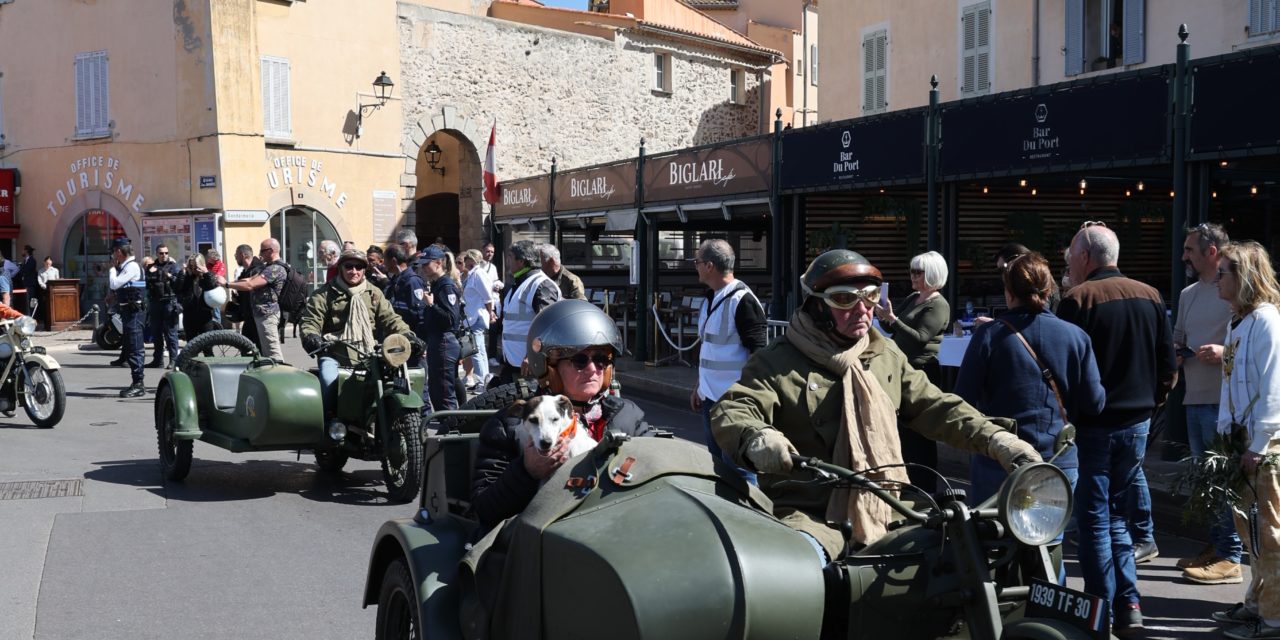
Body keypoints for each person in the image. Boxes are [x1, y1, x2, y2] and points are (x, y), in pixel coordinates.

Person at [711, 249, 1041, 562]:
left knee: (968, 559)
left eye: (870, 296)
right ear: (818, 306)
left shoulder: (884, 355)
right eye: (844, 299)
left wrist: (998, 439)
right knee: (800, 573)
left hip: (891, 506)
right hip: (812, 514)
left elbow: (937, 406)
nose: (863, 309)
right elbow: (735, 407)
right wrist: (757, 436)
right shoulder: (776, 361)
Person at [1056, 221, 1177, 637]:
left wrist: (1070, 412)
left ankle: (1103, 610)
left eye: (1071, 254)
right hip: (1136, 422)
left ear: (1086, 257)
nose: (1069, 262)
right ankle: (1128, 604)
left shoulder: (1078, 298)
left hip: (1096, 425)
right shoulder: (1151, 295)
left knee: (1095, 520)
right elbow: (1168, 367)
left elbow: (1064, 370)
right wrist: (1152, 403)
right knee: (1116, 519)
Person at [472, 299, 660, 532]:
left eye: (601, 358)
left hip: (617, 531)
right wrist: (527, 471)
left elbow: (660, 462)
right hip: (542, 541)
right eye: (580, 360)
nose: (593, 369)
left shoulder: (626, 415)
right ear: (547, 366)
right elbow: (484, 508)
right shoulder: (510, 425)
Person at [955, 251, 1105, 505]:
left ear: (1008, 293)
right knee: (1048, 541)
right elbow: (1095, 403)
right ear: (1049, 291)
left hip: (999, 458)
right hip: (1057, 458)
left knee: (993, 539)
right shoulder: (1076, 337)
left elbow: (962, 401)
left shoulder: (989, 336)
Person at [1211, 241, 1280, 640]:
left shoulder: (1267, 319)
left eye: (1223, 273)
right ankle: (1256, 602)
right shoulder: (1238, 320)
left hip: (1264, 445)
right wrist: (1225, 434)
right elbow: (1229, 384)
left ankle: (1273, 618)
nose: (1216, 279)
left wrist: (1258, 443)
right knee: (1249, 530)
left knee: (1270, 532)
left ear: (1244, 277)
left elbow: (1273, 387)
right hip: (1241, 442)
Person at [1175, 222, 1245, 585]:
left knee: (1222, 481)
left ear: (1211, 252)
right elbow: (1180, 336)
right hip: (1194, 398)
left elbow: (1253, 344)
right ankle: (1216, 547)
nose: (1183, 256)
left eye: (1189, 250)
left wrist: (1224, 352)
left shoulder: (1236, 293)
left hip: (1224, 404)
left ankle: (1230, 556)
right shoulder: (1188, 293)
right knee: (1206, 482)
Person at [299, 249, 419, 425]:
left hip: (368, 353)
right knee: (329, 380)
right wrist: (311, 337)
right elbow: (310, 321)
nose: (354, 271)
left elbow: (391, 319)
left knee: (394, 379)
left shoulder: (373, 293)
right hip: (335, 352)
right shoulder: (324, 294)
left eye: (359, 267)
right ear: (341, 268)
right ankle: (328, 422)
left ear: (364, 270)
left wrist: (407, 334)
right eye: (349, 266)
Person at [689, 239, 766, 482]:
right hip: (710, 397)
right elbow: (711, 350)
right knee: (718, 467)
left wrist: (747, 397)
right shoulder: (711, 298)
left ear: (710, 265)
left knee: (739, 470)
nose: (696, 266)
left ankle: (749, 515)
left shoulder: (742, 300)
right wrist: (699, 387)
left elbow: (758, 354)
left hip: (734, 402)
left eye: (698, 261)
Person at [873, 249, 951, 492]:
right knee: (903, 430)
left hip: (922, 371)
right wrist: (885, 317)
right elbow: (896, 332)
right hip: (903, 368)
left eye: (919, 272)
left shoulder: (938, 305)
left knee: (921, 432)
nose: (913, 276)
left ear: (932, 274)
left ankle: (925, 486)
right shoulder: (913, 298)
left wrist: (893, 319)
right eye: (912, 271)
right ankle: (907, 481)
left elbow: (920, 338)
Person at [498, 240, 561, 385]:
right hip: (513, 363)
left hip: (530, 367)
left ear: (521, 261)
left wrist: (532, 356)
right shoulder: (518, 283)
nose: (507, 261)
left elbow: (547, 325)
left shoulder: (541, 285)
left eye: (510, 257)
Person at [417, 245, 464, 410]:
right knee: (436, 388)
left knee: (444, 391)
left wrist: (431, 305)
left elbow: (451, 319)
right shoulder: (436, 284)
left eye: (426, 264)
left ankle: (450, 429)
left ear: (438, 263)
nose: (423, 268)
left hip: (445, 342)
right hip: (436, 341)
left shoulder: (446, 286)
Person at [226, 239, 287, 361]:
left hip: (268, 316)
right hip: (260, 315)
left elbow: (250, 285)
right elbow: (248, 280)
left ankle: (279, 376)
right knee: (264, 352)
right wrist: (228, 283)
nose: (259, 254)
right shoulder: (267, 267)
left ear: (271, 251)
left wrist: (227, 285)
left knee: (272, 353)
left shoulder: (275, 269)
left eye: (262, 251)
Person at [107, 238, 147, 398]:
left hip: (134, 312)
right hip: (130, 311)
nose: (113, 256)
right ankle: (137, 382)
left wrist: (111, 269)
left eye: (113, 252)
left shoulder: (131, 267)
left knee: (135, 347)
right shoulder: (127, 266)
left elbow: (114, 283)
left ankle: (138, 384)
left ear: (118, 251)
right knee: (132, 345)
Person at [461, 249, 496, 391]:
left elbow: (488, 296)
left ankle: (482, 382)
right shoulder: (473, 274)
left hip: (476, 317)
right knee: (479, 351)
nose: (464, 262)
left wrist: (491, 312)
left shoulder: (478, 274)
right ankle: (485, 380)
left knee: (476, 351)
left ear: (472, 260)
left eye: (466, 259)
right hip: (472, 317)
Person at [144, 245, 182, 369]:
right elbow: (146, 283)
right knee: (156, 333)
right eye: (161, 253)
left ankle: (173, 360)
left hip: (169, 302)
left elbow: (178, 282)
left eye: (166, 253)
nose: (164, 255)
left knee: (171, 333)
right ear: (157, 254)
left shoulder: (173, 266)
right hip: (155, 302)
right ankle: (158, 360)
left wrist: (167, 275)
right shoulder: (151, 267)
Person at [176, 253, 223, 343]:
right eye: (191, 266)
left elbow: (212, 287)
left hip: (205, 315)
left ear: (202, 265)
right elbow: (177, 289)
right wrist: (183, 274)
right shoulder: (186, 276)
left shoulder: (207, 275)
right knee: (191, 345)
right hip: (189, 314)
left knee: (207, 346)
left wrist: (205, 273)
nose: (194, 269)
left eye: (196, 266)